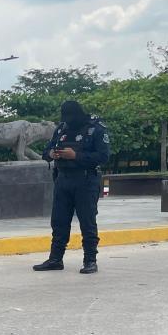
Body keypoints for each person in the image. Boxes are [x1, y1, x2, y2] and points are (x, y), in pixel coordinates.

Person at [33, 100, 110, 274]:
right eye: (65, 116)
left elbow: (103, 156)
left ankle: (90, 260)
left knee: (87, 222)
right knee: (59, 221)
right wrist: (52, 154)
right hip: (63, 180)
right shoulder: (61, 129)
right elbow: (46, 151)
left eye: (70, 116)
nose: (68, 119)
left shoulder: (95, 129)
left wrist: (76, 155)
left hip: (85, 180)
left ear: (79, 114)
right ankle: (55, 259)